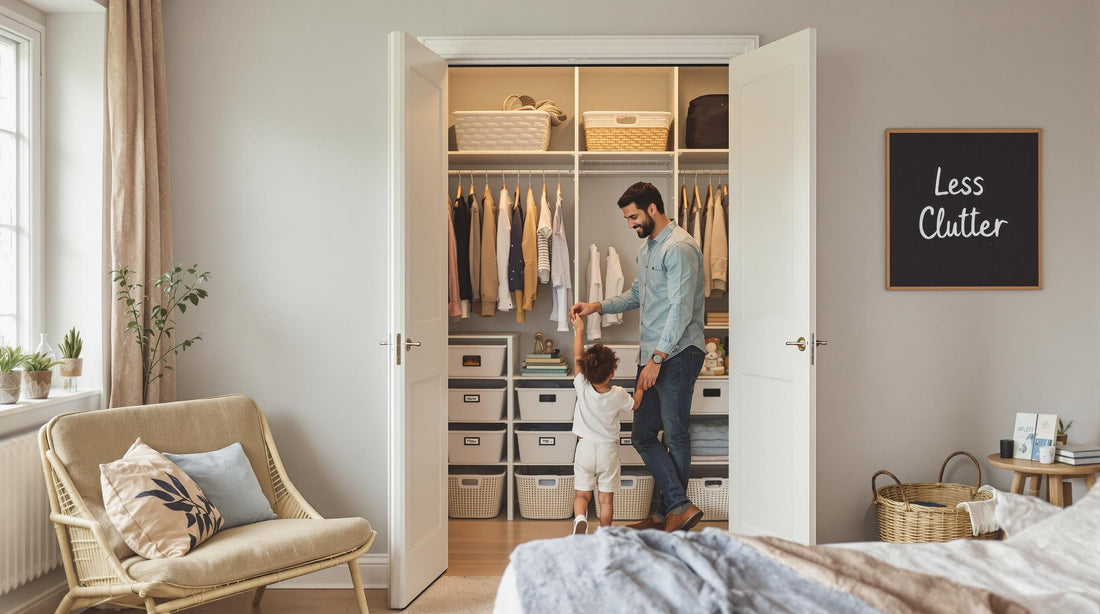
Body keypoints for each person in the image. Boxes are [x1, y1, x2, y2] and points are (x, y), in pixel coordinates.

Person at [569, 181, 706, 533]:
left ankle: (671, 512)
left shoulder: (679, 248)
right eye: (627, 218)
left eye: (633, 217)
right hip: (654, 354)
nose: (630, 224)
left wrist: (657, 359)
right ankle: (674, 508)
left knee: (674, 436)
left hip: (677, 352)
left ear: (652, 209)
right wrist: (597, 306)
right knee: (643, 434)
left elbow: (680, 307)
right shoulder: (648, 251)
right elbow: (636, 295)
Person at [568, 313, 643, 535]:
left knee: (582, 495)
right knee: (606, 500)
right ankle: (605, 534)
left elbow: (577, 356)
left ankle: (580, 518)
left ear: (585, 371)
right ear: (612, 372)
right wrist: (639, 389)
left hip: (585, 448)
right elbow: (635, 405)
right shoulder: (618, 394)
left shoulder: (582, 386)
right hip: (608, 450)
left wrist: (579, 330)